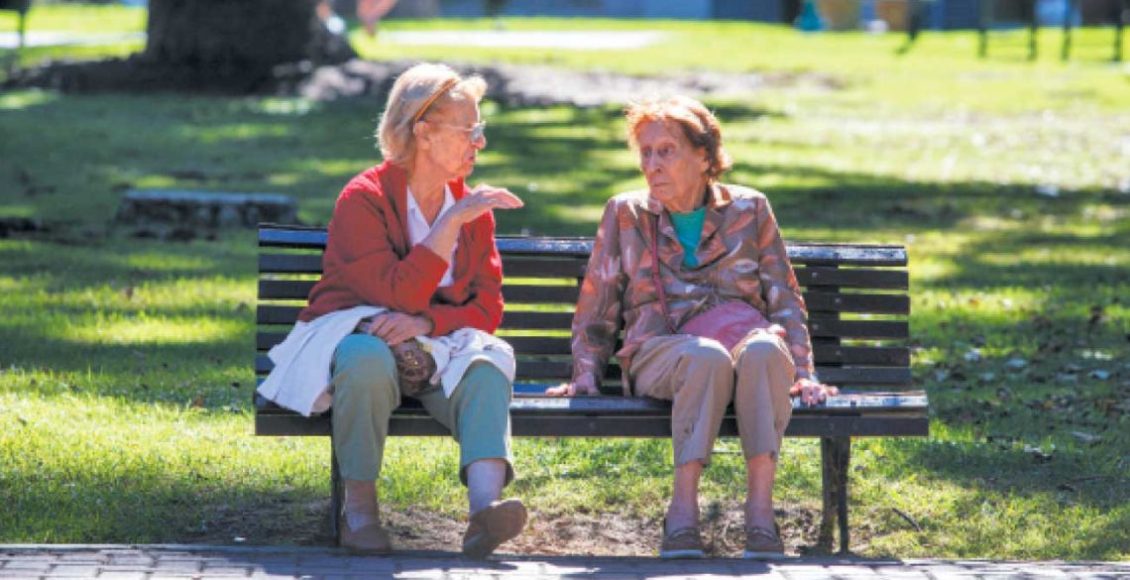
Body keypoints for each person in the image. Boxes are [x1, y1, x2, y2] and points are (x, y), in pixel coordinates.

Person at [546, 96, 838, 560]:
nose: (652, 165)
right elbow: (596, 307)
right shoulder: (626, 214)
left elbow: (784, 298)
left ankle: (760, 515)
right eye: (646, 153)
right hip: (661, 352)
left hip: (747, 351)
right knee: (705, 356)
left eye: (666, 151)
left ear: (705, 157)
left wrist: (804, 372)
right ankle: (682, 513)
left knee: (764, 350)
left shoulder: (750, 209)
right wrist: (585, 373)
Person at [257, 63, 526, 557]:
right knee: (365, 358)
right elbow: (395, 294)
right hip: (357, 335)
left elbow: (487, 307)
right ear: (424, 132)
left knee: (488, 366)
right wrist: (450, 223)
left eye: (480, 129)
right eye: (469, 130)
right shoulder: (364, 199)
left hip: (435, 346)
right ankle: (359, 513)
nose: (480, 142)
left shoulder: (470, 208)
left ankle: (484, 514)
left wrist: (427, 322)